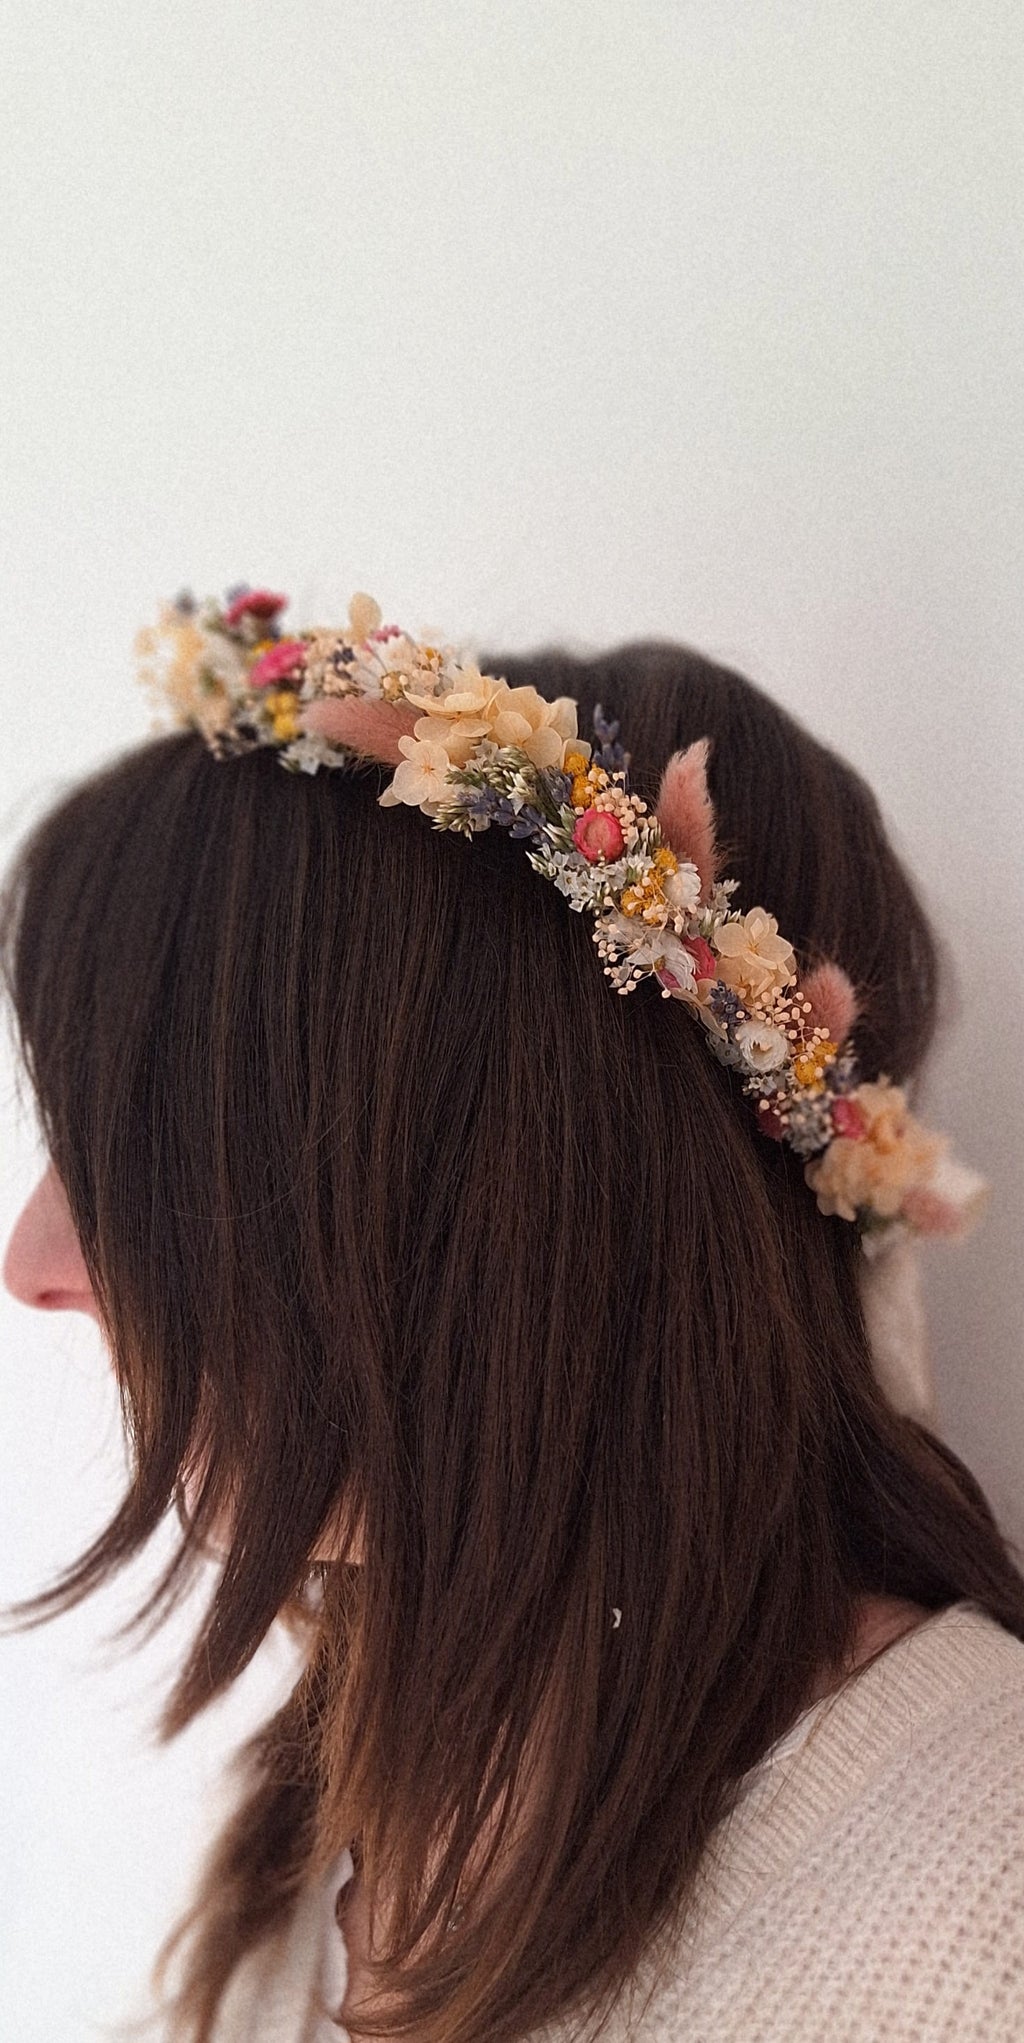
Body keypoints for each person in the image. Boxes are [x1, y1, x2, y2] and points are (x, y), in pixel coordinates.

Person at [3, 586, 1023, 2043]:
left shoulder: (988, 1901)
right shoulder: (325, 1818)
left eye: (158, 1144)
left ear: (509, 1191)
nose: (37, 1259)